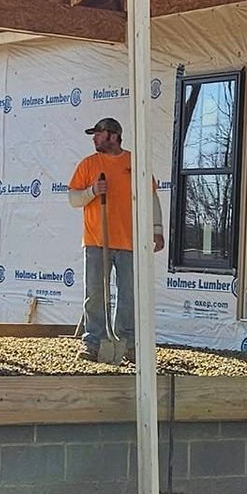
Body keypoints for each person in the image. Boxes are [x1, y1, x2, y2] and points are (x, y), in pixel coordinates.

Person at [66, 117, 164, 361]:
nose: (94, 138)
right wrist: (92, 191)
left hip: (129, 241)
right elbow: (73, 198)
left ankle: (128, 343)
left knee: (128, 295)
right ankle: (93, 342)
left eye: (98, 134)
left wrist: (157, 228)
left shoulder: (135, 163)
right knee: (96, 293)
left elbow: (150, 196)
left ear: (112, 136)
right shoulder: (89, 165)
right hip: (96, 241)